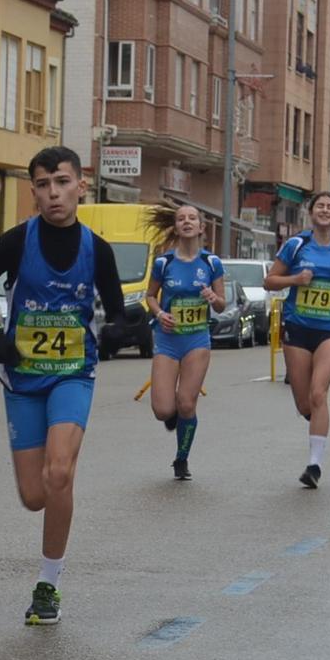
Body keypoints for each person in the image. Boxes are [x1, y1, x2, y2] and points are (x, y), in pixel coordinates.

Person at [0, 147, 135, 626]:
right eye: (42, 184)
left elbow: (117, 310)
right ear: (33, 190)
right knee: (35, 495)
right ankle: (59, 481)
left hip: (74, 373)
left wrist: (120, 328)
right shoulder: (18, 241)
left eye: (61, 181)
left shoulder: (97, 249)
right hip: (22, 379)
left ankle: (48, 585)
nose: (53, 192)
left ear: (82, 185)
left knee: (59, 473)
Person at [264, 191, 330, 488]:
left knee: (319, 393)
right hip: (297, 329)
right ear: (311, 212)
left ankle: (314, 465)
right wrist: (296, 280)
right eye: (320, 206)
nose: (325, 210)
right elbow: (269, 281)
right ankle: (316, 423)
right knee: (304, 403)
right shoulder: (297, 245)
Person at [142, 204, 226, 481]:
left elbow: (222, 305)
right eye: (181, 219)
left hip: (196, 340)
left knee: (187, 403)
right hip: (167, 340)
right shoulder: (163, 263)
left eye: (192, 218)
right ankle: (174, 417)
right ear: (176, 227)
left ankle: (181, 458)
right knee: (163, 410)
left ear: (202, 227)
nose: (187, 222)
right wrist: (159, 313)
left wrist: (214, 299)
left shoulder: (211, 263)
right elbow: (150, 296)